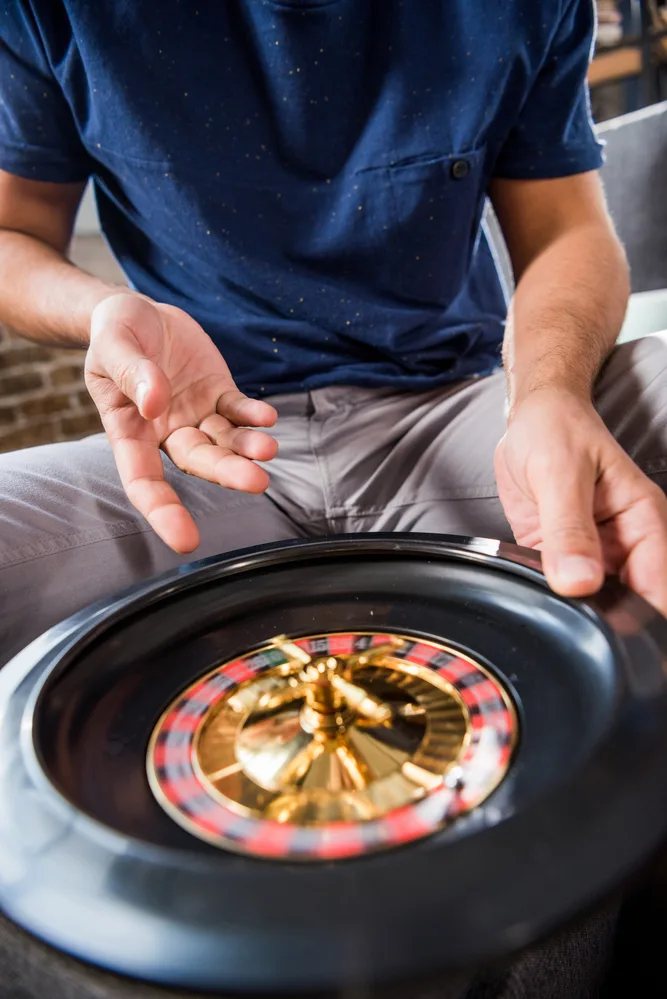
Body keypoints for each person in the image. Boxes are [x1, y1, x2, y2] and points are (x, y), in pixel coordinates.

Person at [0, 1, 666, 995]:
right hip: (209, 444)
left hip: (454, 417)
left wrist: (550, 396)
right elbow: (11, 232)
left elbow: (568, 227)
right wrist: (105, 312)